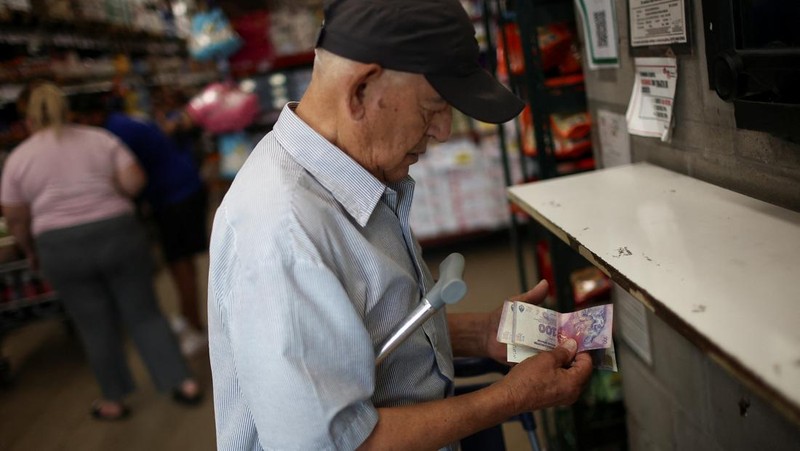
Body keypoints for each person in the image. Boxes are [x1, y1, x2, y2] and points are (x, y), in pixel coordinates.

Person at [206, 0, 593, 449]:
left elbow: (360, 338)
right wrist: (510, 398)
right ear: (361, 91)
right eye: (433, 108)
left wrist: (478, 334)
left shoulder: (349, 177)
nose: (444, 131)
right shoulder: (283, 235)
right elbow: (334, 445)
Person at [0, 83, 202, 421]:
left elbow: (15, 215)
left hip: (59, 245)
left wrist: (29, 248)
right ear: (68, 111)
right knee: (145, 313)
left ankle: (114, 399)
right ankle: (182, 383)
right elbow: (134, 182)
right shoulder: (100, 139)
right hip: (117, 233)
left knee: (94, 324)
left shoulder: (19, 158)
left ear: (29, 118)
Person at [102, 100, 209, 356]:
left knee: (180, 261)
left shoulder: (114, 132)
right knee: (180, 261)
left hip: (174, 195)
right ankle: (189, 318)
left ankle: (195, 327)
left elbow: (130, 176)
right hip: (182, 186)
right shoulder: (125, 120)